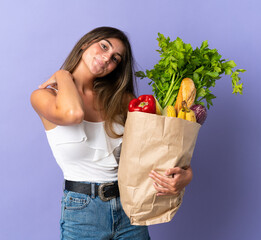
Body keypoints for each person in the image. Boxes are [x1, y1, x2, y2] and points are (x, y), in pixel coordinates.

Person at [30, 26, 193, 240]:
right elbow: (74, 113)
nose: (107, 58)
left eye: (116, 58)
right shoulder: (44, 97)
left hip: (130, 208)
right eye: (104, 46)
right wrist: (63, 75)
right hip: (82, 213)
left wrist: (186, 176)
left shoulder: (123, 100)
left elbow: (159, 149)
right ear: (85, 43)